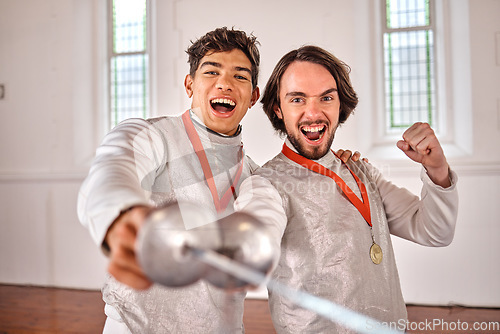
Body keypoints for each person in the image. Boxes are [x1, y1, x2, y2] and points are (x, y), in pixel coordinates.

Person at [233, 45, 459, 333]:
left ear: (341, 104)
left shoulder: (362, 172)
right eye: (297, 99)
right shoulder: (265, 184)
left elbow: (435, 231)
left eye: (326, 97)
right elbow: (258, 230)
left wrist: (437, 170)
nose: (313, 113)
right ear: (278, 108)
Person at [78, 27, 268, 333]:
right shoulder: (151, 136)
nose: (225, 84)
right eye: (211, 72)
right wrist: (122, 214)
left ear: (253, 97)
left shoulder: (254, 175)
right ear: (190, 85)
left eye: (240, 76)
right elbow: (114, 167)